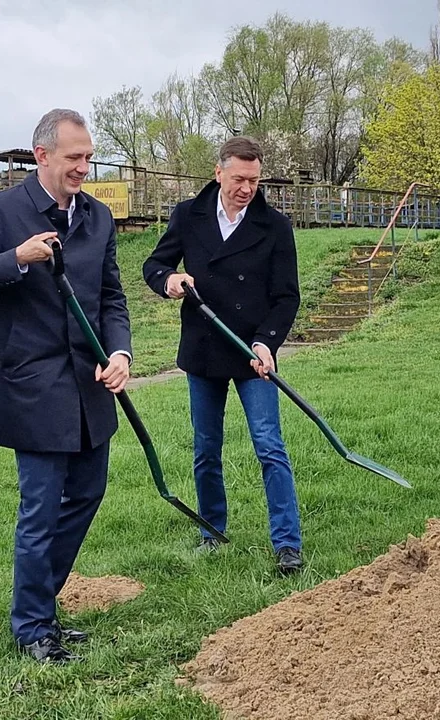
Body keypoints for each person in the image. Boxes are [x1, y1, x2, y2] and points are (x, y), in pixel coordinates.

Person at [0, 108, 132, 663]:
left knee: (89, 493)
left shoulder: (98, 218)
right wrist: (16, 259)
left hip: (90, 384)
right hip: (33, 388)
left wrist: (120, 351)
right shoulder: (1, 212)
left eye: (88, 156)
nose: (84, 167)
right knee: (42, 509)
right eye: (74, 157)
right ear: (42, 155)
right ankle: (31, 628)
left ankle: (39, 606)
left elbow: (112, 298)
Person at [142, 136, 303, 574]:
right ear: (219, 173)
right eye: (238, 179)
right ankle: (211, 532)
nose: (246, 188)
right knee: (206, 448)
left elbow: (287, 297)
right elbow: (154, 266)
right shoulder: (187, 216)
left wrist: (267, 343)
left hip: (254, 353)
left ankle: (288, 544)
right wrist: (169, 282)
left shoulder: (275, 226)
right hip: (205, 349)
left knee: (270, 447)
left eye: (253, 180)